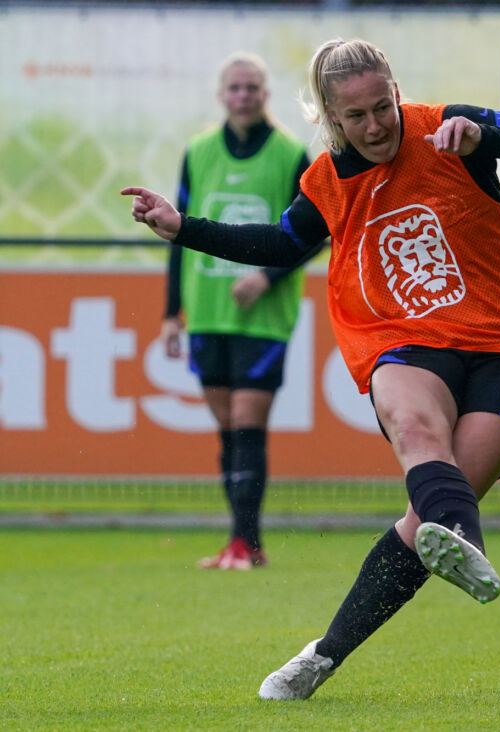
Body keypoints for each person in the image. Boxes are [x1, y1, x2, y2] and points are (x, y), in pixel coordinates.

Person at [122, 38, 500, 699]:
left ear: (397, 93)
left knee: (422, 524)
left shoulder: (448, 127)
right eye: (357, 116)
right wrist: (181, 227)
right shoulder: (326, 179)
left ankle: (323, 654)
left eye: (383, 107)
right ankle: (458, 536)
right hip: (403, 341)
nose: (376, 126)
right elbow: (282, 243)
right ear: (331, 118)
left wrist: (485, 134)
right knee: (415, 430)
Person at [164, 52, 317, 571]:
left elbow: (315, 233)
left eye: (252, 87)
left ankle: (248, 543)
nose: (243, 95)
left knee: (249, 419)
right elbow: (176, 235)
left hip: (264, 315)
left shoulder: (291, 153)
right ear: (221, 95)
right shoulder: (199, 151)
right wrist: (170, 313)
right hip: (207, 310)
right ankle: (238, 541)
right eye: (235, 87)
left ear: (265, 94)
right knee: (228, 425)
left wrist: (267, 275)